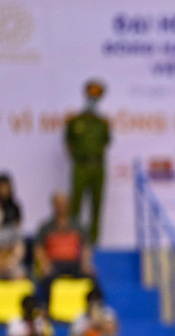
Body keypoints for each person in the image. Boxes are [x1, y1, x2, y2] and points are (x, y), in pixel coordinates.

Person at [65, 79, 111, 244]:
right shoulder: (75, 122)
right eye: (91, 95)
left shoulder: (102, 123)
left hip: (97, 166)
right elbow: (68, 143)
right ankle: (73, 239)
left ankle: (93, 241)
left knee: (96, 205)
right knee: (75, 204)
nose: (93, 100)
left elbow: (106, 143)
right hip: (80, 165)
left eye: (96, 96)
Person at [33, 192, 93, 294]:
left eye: (64, 203)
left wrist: (86, 263)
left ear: (69, 204)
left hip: (74, 263)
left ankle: (95, 304)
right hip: (54, 264)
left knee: (90, 276)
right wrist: (45, 264)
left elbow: (86, 246)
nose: (61, 207)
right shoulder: (45, 227)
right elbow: (38, 248)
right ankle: (46, 307)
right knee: (46, 278)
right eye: (58, 204)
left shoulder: (78, 226)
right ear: (54, 205)